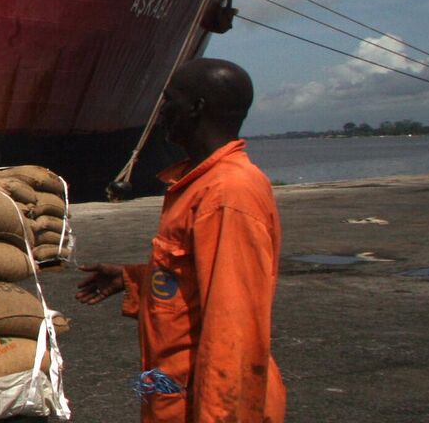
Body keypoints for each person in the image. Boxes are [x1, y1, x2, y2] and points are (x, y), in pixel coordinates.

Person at [75, 58, 286, 422]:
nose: (160, 111)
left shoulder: (227, 193)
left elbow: (233, 325)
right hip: (172, 395)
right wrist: (137, 279)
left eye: (169, 100)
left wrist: (221, 415)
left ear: (195, 108)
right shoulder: (198, 185)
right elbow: (194, 280)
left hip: (207, 404)